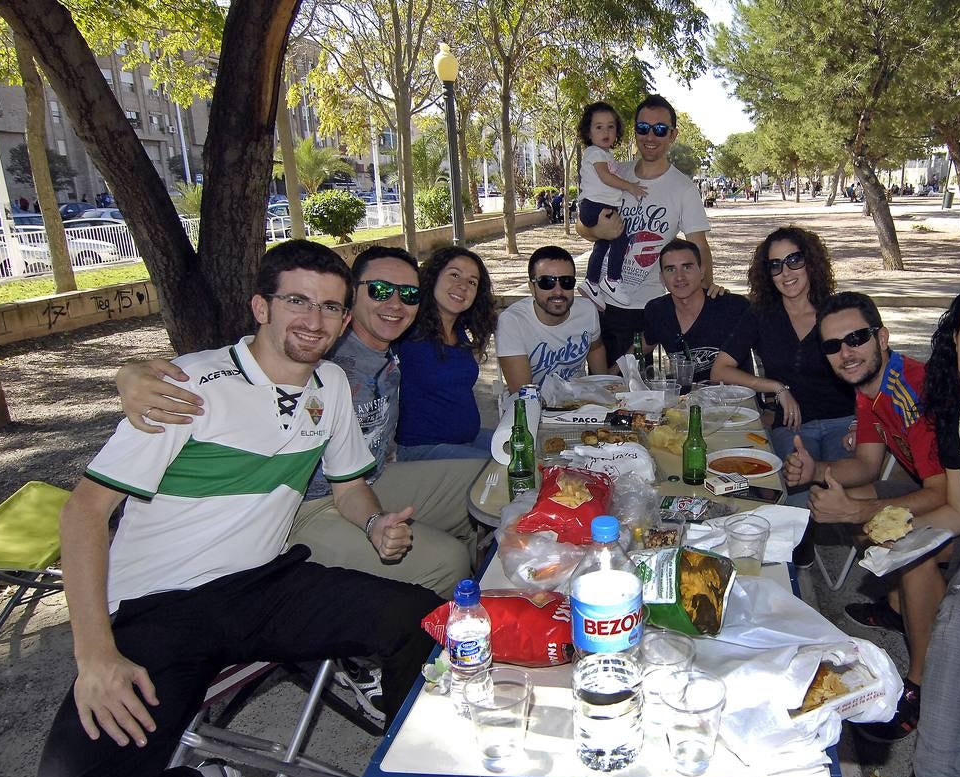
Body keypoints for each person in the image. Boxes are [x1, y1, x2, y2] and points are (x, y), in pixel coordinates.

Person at [22, 240, 438, 777]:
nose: (315, 319)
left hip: (262, 584)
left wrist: (375, 523)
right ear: (260, 307)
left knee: (424, 618)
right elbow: (84, 514)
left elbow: (351, 485)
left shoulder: (329, 386)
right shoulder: (187, 388)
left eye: (330, 306)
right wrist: (95, 655)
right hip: (157, 612)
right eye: (297, 300)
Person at [116, 245, 483, 601]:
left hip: (368, 480)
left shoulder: (394, 347)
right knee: (446, 559)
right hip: (303, 507)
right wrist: (132, 375)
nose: (395, 303)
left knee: (491, 482)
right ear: (351, 301)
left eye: (408, 294)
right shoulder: (327, 353)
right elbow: (264, 356)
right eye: (381, 290)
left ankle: (482, 587)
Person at [785, 291, 948, 742]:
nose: (846, 353)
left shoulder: (910, 388)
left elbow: (942, 493)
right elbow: (868, 467)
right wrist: (816, 471)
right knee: (848, 494)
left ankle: (920, 680)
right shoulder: (869, 388)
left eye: (856, 339)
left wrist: (858, 510)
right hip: (928, 488)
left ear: (882, 336)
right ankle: (899, 606)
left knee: (910, 550)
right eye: (833, 346)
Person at [577, 95, 717, 364]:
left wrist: (707, 289)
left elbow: (698, 246)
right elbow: (583, 224)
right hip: (601, 304)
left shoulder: (683, 188)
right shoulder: (615, 171)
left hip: (645, 307)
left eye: (660, 129)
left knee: (637, 394)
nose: (650, 136)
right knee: (602, 390)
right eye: (643, 128)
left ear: (672, 135)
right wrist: (600, 233)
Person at [710, 226, 857, 470]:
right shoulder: (761, 315)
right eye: (775, 265)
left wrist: (859, 423)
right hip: (792, 426)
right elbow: (720, 370)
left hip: (843, 422)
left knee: (839, 494)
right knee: (797, 498)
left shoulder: (838, 311)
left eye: (794, 260)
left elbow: (870, 371)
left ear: (810, 262)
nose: (785, 272)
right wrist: (776, 388)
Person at [394, 246, 499, 459]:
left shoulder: (458, 331)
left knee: (526, 447)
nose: (462, 286)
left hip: (467, 439)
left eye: (472, 282)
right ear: (433, 277)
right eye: (454, 275)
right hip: (422, 449)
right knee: (506, 469)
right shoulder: (407, 331)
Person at [495, 245, 608, 392]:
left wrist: (604, 388)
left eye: (566, 281)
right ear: (531, 288)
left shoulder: (587, 310)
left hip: (581, 402)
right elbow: (523, 394)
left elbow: (595, 347)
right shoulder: (512, 322)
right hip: (536, 405)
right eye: (547, 282)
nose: (558, 291)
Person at [640, 238, 751, 382]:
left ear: (702, 271)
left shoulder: (734, 307)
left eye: (687, 267)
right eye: (671, 269)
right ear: (662, 278)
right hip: (684, 400)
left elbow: (767, 352)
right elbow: (642, 346)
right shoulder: (657, 311)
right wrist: (610, 375)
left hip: (734, 399)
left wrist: (772, 394)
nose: (679, 277)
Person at [575, 101, 647, 307]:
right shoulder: (596, 153)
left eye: (610, 126)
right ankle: (613, 279)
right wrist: (630, 186)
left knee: (602, 245)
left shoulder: (604, 154)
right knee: (621, 240)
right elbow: (606, 177)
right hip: (597, 206)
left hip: (594, 206)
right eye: (599, 127)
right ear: (588, 132)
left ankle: (591, 281)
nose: (605, 131)